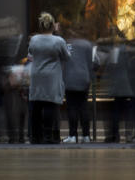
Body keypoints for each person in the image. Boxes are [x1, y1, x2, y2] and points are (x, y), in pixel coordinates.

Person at [27, 12, 70, 144]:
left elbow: (30, 54)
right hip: (51, 76)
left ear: (40, 26)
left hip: (36, 74)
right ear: (53, 25)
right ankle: (48, 136)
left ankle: (35, 137)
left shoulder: (34, 39)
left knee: (36, 106)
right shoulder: (58, 41)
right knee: (50, 105)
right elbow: (67, 57)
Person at [61, 28, 94, 143]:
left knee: (72, 107)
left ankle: (72, 135)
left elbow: (62, 61)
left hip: (69, 79)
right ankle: (86, 136)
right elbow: (92, 62)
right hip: (84, 78)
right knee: (84, 107)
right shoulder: (87, 44)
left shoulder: (66, 44)